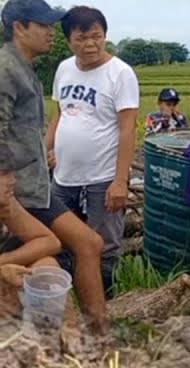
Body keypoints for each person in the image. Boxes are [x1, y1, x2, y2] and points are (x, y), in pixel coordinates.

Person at [0, 0, 108, 333]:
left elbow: (22, 128)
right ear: (20, 27)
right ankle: (98, 330)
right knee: (78, 245)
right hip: (20, 192)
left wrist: (40, 151)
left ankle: (97, 326)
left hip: (35, 185)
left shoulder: (23, 65)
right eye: (44, 25)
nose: (51, 32)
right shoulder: (6, 68)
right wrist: (4, 176)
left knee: (85, 245)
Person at [45, 4, 140, 299]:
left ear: (105, 36)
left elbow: (128, 129)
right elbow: (61, 115)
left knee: (105, 244)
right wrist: (44, 151)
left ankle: (106, 303)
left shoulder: (120, 74)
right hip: (63, 177)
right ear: (69, 40)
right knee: (59, 240)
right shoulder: (64, 69)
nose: (90, 45)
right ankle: (68, 299)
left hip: (102, 179)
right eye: (81, 38)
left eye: (96, 37)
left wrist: (120, 180)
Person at [0, 143, 62, 317]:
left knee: (47, 267)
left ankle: (55, 336)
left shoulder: (6, 204)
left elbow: (49, 241)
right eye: (5, 174)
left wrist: (4, 261)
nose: (13, 180)